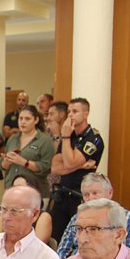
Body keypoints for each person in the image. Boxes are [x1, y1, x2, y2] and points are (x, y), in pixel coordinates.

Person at [49, 97, 105, 242]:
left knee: (78, 239)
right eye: (69, 112)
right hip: (62, 194)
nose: (70, 115)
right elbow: (55, 167)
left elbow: (69, 162)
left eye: (75, 111)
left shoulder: (93, 138)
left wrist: (66, 136)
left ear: (86, 114)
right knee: (56, 238)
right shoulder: (70, 135)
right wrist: (79, 165)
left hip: (80, 195)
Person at [56, 173, 130, 259]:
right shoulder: (77, 218)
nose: (90, 198)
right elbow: (62, 252)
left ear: (110, 193)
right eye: (86, 194)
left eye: (95, 193)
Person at [1, 104, 54, 200]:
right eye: (20, 119)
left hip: (35, 192)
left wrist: (24, 162)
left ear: (36, 120)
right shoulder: (13, 139)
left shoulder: (45, 140)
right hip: (12, 189)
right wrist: (6, 162)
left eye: (27, 119)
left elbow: (46, 168)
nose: (23, 122)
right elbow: (3, 166)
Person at [12, 171, 53, 245]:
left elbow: (37, 247)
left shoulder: (43, 217)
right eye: (13, 189)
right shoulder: (6, 213)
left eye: (20, 189)